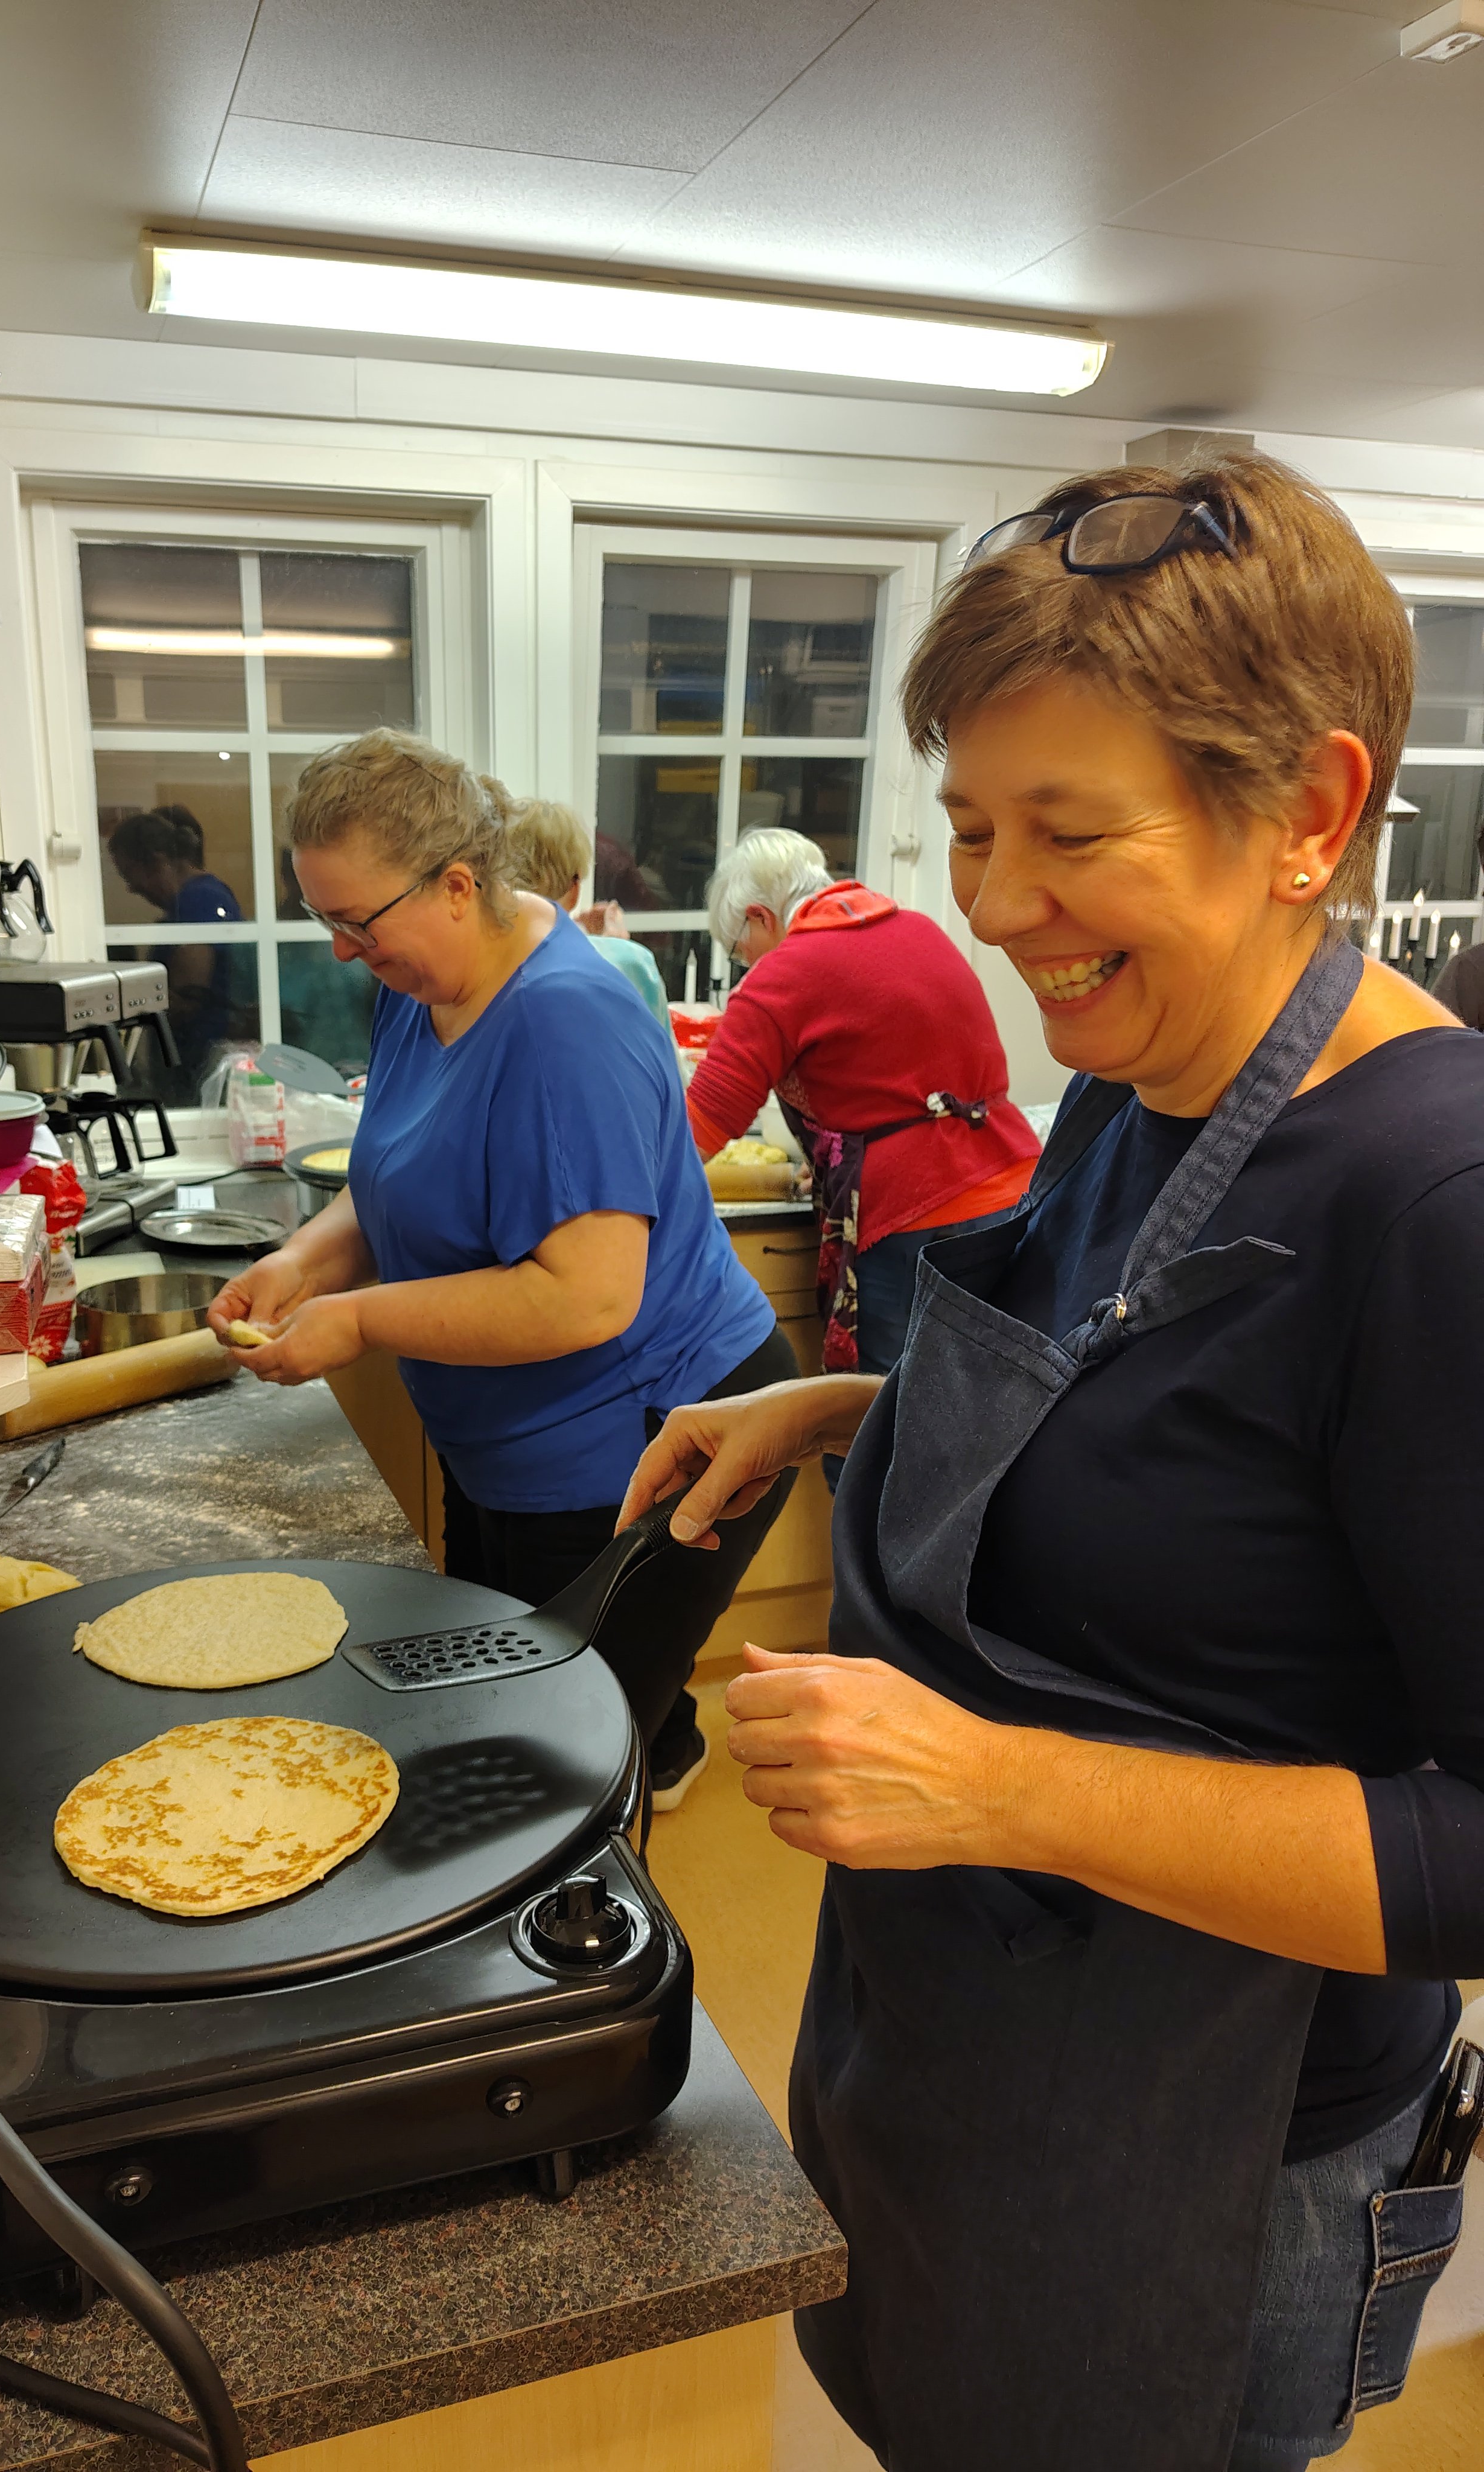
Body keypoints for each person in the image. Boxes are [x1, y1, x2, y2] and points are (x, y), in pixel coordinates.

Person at [620, 451, 1482, 2472]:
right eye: (970, 828)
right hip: (974, 2033)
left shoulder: (1432, 1200)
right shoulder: (1148, 1071)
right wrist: (834, 1406)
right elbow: (1164, 1439)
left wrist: (995, 1781)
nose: (995, 911)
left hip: (1215, 2150)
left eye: (1066, 833)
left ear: (1312, 816)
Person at [209, 730, 796, 1808]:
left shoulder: (564, 1022)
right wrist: (303, 1260)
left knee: (565, 1766)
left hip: (650, 1439)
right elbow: (393, 1179)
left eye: (358, 920)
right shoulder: (416, 983)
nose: (342, 949)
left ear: (459, 883)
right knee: (526, 1716)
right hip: (515, 1445)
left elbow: (585, 1294)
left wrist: (358, 1321)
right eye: (322, 917)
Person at [692, 826, 1037, 1480]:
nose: (746, 967)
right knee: (987, 1428)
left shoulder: (785, 975)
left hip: (912, 1222)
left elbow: (698, 1131)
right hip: (1016, 1196)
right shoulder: (919, 930)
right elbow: (893, 1077)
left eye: (741, 951)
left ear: (762, 918)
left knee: (886, 1446)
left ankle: (880, 1582)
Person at [107, 806, 246, 1092]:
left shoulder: (200, 901)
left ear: (158, 862)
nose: (132, 888)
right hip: (193, 1054)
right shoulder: (197, 901)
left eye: (129, 874)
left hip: (198, 1057)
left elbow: (187, 997)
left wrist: (121, 1005)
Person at [499, 797, 670, 1025]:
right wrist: (615, 950)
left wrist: (584, 936)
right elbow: (660, 1055)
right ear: (575, 887)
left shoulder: (473, 964)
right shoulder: (630, 963)